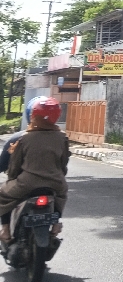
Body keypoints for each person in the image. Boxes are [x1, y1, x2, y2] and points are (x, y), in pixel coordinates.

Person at [0, 96, 70, 243]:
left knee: (2, 195)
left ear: (33, 115)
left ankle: (5, 230)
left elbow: (14, 165)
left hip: (26, 184)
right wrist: (59, 176)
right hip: (55, 183)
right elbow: (63, 163)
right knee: (61, 196)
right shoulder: (62, 137)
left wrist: (12, 179)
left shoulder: (24, 138)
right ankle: (56, 224)